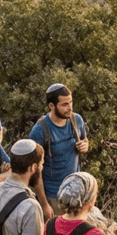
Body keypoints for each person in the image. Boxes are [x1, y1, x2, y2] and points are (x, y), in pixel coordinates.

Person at [29, 84, 88, 220]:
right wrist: (44, 205)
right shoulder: (40, 131)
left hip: (77, 192)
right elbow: (35, 170)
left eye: (71, 103)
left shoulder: (76, 120)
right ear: (51, 106)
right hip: (54, 197)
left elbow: (85, 140)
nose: (70, 108)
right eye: (64, 104)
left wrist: (85, 146)